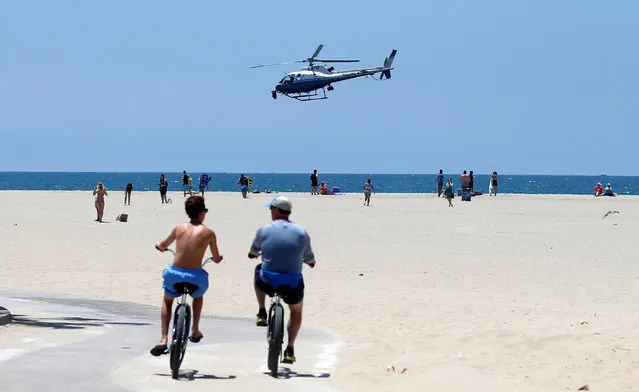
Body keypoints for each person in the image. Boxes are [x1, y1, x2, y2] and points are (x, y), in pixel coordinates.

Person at [150, 195, 223, 357]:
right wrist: (218, 259)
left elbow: (163, 245)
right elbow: (216, 257)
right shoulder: (209, 233)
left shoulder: (179, 229)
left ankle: (163, 339)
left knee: (167, 301)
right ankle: (195, 330)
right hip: (196, 277)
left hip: (175, 274)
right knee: (198, 296)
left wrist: (160, 247)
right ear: (202, 213)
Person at [248, 196, 316, 364]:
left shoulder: (264, 230)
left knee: (258, 270)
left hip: (268, 280)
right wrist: (310, 263)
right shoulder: (301, 232)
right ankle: (290, 349)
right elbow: (310, 259)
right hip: (292, 282)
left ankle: (262, 311)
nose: (271, 212)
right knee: (296, 311)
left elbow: (253, 252)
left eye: (271, 209)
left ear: (277, 211)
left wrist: (254, 254)